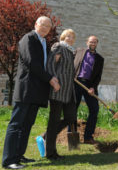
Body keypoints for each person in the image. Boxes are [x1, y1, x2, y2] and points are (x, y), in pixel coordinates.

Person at [2, 16, 60, 169]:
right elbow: (32, 63)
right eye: (43, 25)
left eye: (48, 26)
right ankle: (8, 161)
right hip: (26, 89)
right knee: (16, 124)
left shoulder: (44, 43)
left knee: (27, 125)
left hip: (37, 91)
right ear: (36, 24)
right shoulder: (28, 39)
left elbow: (44, 65)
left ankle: (19, 156)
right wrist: (50, 79)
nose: (46, 28)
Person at [45, 29, 77, 160]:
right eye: (68, 36)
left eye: (72, 37)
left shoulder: (70, 51)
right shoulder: (58, 47)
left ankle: (46, 136)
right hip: (58, 89)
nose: (70, 38)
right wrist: (53, 80)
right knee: (54, 121)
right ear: (63, 37)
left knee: (71, 117)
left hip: (68, 90)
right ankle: (51, 153)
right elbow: (50, 64)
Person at [74, 35, 104, 144]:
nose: (93, 44)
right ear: (87, 42)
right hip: (76, 82)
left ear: (97, 44)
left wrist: (93, 87)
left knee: (94, 109)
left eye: (95, 42)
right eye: (91, 42)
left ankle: (88, 137)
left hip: (89, 86)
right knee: (73, 109)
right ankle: (72, 135)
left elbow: (98, 76)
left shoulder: (100, 59)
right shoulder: (78, 51)